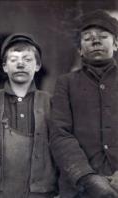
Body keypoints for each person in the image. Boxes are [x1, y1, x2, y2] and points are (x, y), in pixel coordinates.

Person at [0, 33, 58, 198]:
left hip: (40, 192)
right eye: (13, 59)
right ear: (4, 67)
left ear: (37, 65)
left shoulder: (49, 102)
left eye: (28, 60)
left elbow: (60, 147)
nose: (20, 64)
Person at [50, 10, 118, 198]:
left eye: (103, 36)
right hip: (79, 188)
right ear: (79, 49)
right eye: (88, 38)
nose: (96, 41)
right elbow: (60, 135)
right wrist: (86, 177)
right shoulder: (66, 83)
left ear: (116, 43)